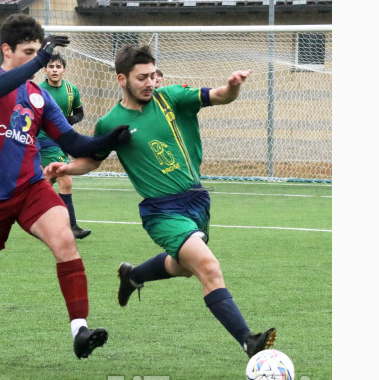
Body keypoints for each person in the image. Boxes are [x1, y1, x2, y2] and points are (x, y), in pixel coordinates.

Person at [45, 44, 276, 359]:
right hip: (161, 211)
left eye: (153, 75)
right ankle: (248, 341)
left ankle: (134, 275)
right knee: (208, 267)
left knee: (182, 268)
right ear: (121, 79)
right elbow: (93, 160)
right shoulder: (110, 122)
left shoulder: (172, 97)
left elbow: (221, 95)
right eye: (142, 77)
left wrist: (233, 86)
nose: (150, 82)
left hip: (196, 200)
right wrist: (67, 168)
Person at [0, 14, 131, 360]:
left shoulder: (40, 97)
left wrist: (109, 140)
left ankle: (80, 330)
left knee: (65, 240)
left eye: (38, 52)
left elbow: (72, 139)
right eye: (28, 52)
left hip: (30, 188)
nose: (36, 60)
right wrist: (40, 59)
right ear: (6, 50)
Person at [39, 54, 91, 239]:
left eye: (58, 66)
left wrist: (70, 120)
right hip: (44, 139)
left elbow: (80, 113)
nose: (54, 69)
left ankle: (37, 220)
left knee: (45, 182)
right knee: (66, 180)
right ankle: (72, 227)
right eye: (51, 66)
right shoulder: (38, 90)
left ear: (64, 70)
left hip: (62, 140)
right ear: (45, 70)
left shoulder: (71, 90)